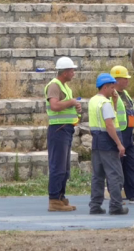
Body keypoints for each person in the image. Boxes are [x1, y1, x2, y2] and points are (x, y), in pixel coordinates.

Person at [45, 56, 82, 212]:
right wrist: (72, 102)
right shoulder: (54, 86)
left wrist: (75, 109)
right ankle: (54, 200)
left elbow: (63, 105)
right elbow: (54, 106)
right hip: (58, 129)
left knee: (65, 168)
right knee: (58, 167)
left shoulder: (64, 86)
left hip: (65, 129)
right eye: (72, 70)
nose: (74, 72)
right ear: (65, 71)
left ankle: (60, 197)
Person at [88, 73, 128, 216]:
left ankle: (95, 205)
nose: (114, 91)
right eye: (112, 87)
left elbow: (105, 118)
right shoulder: (105, 103)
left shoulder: (93, 101)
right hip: (108, 142)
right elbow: (110, 124)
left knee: (98, 176)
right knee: (115, 175)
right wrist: (119, 144)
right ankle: (116, 206)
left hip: (97, 142)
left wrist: (115, 103)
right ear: (105, 87)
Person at [110, 65, 134, 204]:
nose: (127, 81)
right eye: (124, 79)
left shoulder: (125, 94)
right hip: (119, 133)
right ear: (116, 79)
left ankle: (133, 193)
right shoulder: (111, 95)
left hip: (128, 132)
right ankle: (116, 194)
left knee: (130, 164)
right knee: (117, 164)